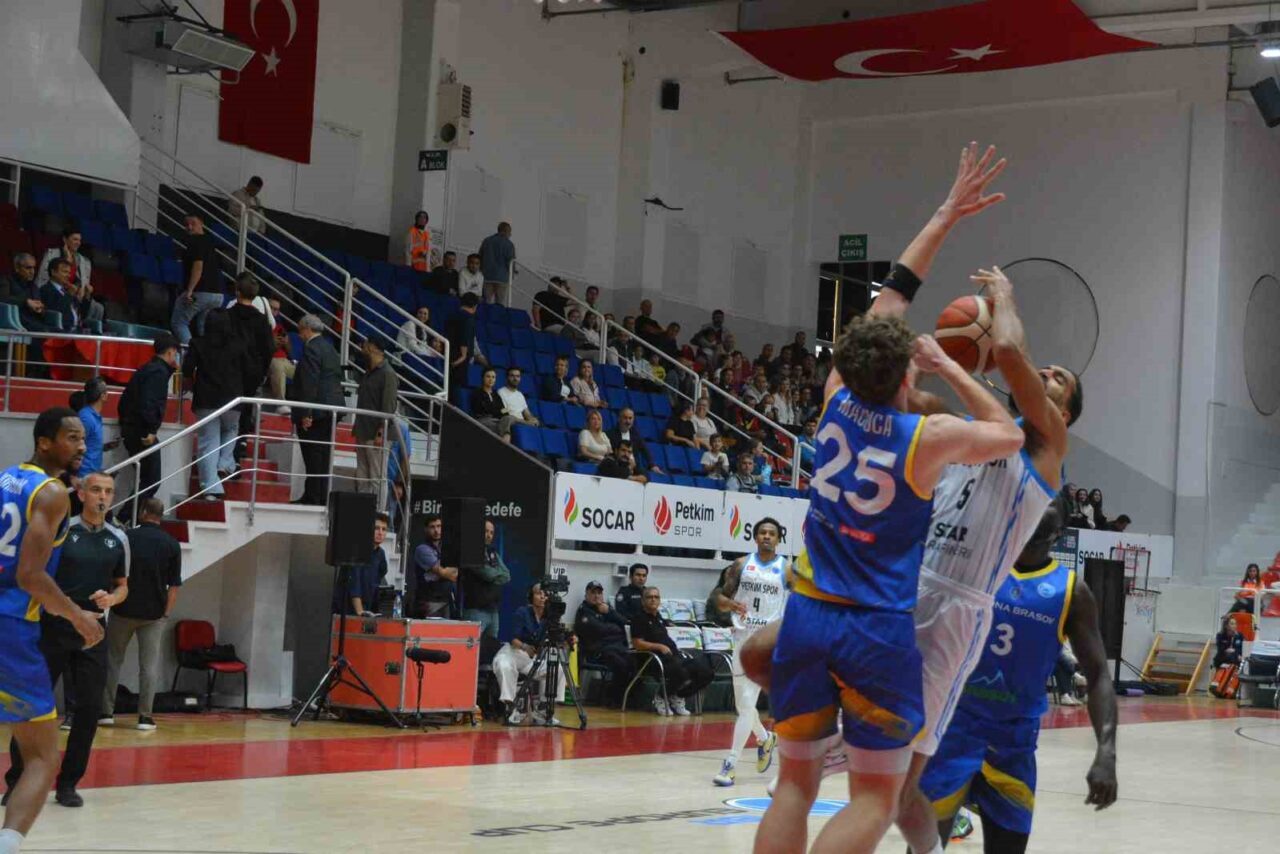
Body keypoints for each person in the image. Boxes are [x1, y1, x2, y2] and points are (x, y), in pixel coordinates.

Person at [756, 143, 1023, 854]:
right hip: (875, 631)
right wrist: (951, 367)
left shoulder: (832, 398)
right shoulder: (926, 439)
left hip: (808, 615)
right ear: (908, 373)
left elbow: (895, 291)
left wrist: (946, 212)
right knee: (875, 797)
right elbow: (1008, 435)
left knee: (792, 787)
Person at [917, 497, 1118, 852]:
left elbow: (1099, 674)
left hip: (1013, 745)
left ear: (1058, 533)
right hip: (951, 732)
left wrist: (1106, 751)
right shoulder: (976, 567)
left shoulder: (1071, 592)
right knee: (923, 847)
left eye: (1041, 525)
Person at [0, 408, 103, 853]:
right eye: (72, 438)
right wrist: (78, 616)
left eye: (83, 439)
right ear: (44, 442)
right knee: (41, 757)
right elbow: (30, 576)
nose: (82, 446)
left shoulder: (5, 478)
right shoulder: (53, 492)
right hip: (10, 629)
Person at [4, 471, 127, 808]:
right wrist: (67, 609)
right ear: (82, 494)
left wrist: (112, 598)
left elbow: (123, 585)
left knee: (89, 708)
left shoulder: (119, 538)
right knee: (32, 707)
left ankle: (69, 783)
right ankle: (17, 781)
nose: (102, 496)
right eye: (96, 490)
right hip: (54, 627)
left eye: (108, 491)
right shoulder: (63, 530)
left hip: (94, 632)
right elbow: (36, 576)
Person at [709, 517, 786, 787]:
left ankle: (730, 764)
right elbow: (717, 599)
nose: (767, 536)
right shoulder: (741, 565)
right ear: (755, 537)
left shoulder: (787, 570)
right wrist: (730, 604)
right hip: (742, 638)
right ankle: (765, 739)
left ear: (778, 540)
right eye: (762, 532)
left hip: (766, 642)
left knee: (747, 700)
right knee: (743, 704)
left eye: (772, 533)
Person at [100, 498, 181, 732]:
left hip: (123, 611)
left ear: (143, 512)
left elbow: (113, 574)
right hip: (153, 615)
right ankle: (145, 717)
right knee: (149, 667)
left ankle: (106, 713)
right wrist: (165, 614)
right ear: (161, 515)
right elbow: (174, 586)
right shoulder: (171, 544)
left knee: (112, 661)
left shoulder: (127, 538)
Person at [184, 310, 246, 500]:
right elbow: (249, 369)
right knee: (231, 430)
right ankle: (225, 463)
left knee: (208, 442)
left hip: (207, 399)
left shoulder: (198, 343)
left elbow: (187, 369)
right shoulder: (238, 344)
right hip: (233, 398)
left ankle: (211, 488)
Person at [117, 335, 179, 520]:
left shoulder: (147, 369)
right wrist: (151, 430)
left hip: (132, 428)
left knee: (146, 479)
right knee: (151, 480)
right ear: (171, 352)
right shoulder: (158, 373)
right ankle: (124, 517)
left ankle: (127, 517)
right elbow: (149, 403)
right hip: (142, 432)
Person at [630, 586, 713, 716]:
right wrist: (659, 646)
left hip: (673, 657)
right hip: (652, 660)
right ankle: (660, 697)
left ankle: (678, 695)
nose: (653, 599)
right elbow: (637, 643)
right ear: (643, 600)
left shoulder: (659, 618)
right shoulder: (638, 618)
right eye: (649, 597)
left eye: (656, 597)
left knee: (706, 672)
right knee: (680, 670)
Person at [289, 315, 344, 506]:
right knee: (323, 455)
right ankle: (319, 495)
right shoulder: (330, 348)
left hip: (317, 411)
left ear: (307, 329)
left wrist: (306, 413)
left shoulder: (312, 348)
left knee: (313, 454)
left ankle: (313, 496)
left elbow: (309, 382)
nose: (299, 335)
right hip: (331, 410)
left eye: (300, 330)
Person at [493, 583, 562, 725]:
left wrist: (569, 639)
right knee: (504, 665)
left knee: (557, 668)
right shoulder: (522, 612)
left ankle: (544, 709)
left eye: (545, 594)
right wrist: (525, 647)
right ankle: (510, 708)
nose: (542, 597)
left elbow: (556, 639)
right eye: (538, 593)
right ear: (531, 596)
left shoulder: (550, 618)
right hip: (514, 652)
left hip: (532, 659)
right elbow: (513, 638)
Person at [226, 274, 275, 465]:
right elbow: (268, 349)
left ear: (237, 292)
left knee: (228, 412)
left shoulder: (227, 315)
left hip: (229, 370)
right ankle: (239, 448)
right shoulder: (262, 320)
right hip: (252, 373)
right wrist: (262, 372)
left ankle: (227, 455)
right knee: (245, 410)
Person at [352, 337, 399, 500]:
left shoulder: (388, 373)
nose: (362, 347)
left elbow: (389, 407)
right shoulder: (369, 371)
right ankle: (363, 509)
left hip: (377, 433)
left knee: (377, 477)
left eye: (365, 345)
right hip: (363, 430)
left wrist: (381, 432)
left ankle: (378, 511)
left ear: (373, 347)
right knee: (362, 475)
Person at [574, 580, 632, 704]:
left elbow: (625, 624)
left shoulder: (606, 609)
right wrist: (616, 629)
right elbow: (600, 631)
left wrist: (610, 612)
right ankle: (615, 699)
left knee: (634, 661)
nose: (596, 596)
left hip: (614, 647)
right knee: (621, 664)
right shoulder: (584, 611)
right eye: (593, 593)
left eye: (599, 593)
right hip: (596, 652)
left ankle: (627, 699)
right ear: (586, 595)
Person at [171, 213, 225, 346]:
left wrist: (190, 290)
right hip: (217, 294)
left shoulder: (195, 242)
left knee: (179, 323)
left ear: (201, 223)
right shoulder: (211, 242)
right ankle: (206, 356)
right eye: (186, 224)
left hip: (200, 292)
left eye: (193, 223)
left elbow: (198, 266)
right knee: (204, 327)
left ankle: (192, 353)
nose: (189, 227)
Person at [36, 228, 102, 330]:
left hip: (74, 294)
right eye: (75, 239)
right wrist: (70, 293)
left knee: (97, 309)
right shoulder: (52, 254)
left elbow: (81, 310)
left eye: (79, 240)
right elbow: (58, 310)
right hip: (63, 325)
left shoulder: (82, 260)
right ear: (65, 239)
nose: (78, 243)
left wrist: (86, 295)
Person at [460, 519, 511, 640]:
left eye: (491, 532)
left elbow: (507, 575)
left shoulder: (492, 553)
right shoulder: (470, 552)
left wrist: (494, 576)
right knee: (471, 645)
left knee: (491, 646)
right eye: (486, 531)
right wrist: (496, 575)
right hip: (475, 610)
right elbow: (488, 574)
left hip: (493, 610)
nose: (489, 535)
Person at [333, 513, 389, 617]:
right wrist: (360, 612)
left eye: (384, 529)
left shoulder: (381, 554)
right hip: (347, 611)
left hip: (367, 609)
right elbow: (355, 585)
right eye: (376, 528)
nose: (380, 533)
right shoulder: (356, 550)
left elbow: (381, 574)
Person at [411, 515, 457, 618]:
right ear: (426, 529)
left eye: (439, 526)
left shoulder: (447, 548)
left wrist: (451, 572)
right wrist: (451, 571)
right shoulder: (422, 549)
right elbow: (443, 572)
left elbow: (457, 572)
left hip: (447, 599)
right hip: (429, 601)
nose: (436, 530)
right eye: (432, 527)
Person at [69, 377, 115, 478]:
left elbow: (88, 443)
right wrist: (73, 476)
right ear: (103, 396)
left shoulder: (94, 416)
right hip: (83, 475)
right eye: (106, 391)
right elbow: (75, 446)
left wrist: (104, 447)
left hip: (92, 473)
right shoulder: (86, 417)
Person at [38, 259, 96, 332]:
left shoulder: (66, 291)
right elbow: (57, 311)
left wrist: (87, 296)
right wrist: (69, 295)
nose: (68, 276)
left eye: (69, 273)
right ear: (53, 272)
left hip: (76, 330)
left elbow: (81, 313)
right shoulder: (46, 290)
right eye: (65, 272)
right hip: (60, 331)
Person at [606, 408, 661, 474]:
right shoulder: (610, 434)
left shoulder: (636, 435)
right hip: (616, 467)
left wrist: (652, 465)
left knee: (646, 476)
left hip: (634, 468)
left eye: (630, 418)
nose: (628, 421)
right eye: (625, 418)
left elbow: (645, 450)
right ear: (619, 418)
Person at [447, 293, 481, 394]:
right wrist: (463, 355)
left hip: (450, 353)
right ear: (475, 306)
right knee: (457, 388)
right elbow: (464, 337)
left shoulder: (453, 315)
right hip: (459, 359)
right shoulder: (468, 318)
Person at [471, 367, 514, 442]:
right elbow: (485, 410)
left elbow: (505, 412)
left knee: (509, 417)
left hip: (497, 420)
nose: (491, 379)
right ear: (483, 378)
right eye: (488, 376)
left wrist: (501, 411)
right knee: (503, 426)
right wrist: (501, 411)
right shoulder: (477, 393)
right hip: (483, 420)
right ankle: (506, 440)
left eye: (493, 377)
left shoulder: (496, 394)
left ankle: (506, 438)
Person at [478, 221, 516, 305]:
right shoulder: (509, 244)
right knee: (499, 305)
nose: (510, 234)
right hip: (502, 279)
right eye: (509, 232)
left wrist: (480, 271)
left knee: (485, 303)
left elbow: (480, 257)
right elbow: (510, 262)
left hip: (487, 277)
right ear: (505, 231)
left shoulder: (487, 241)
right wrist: (512, 274)